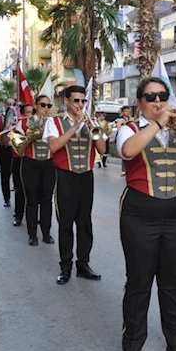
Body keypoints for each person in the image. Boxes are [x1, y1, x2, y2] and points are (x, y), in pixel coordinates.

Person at [116, 77, 176, 351]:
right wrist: (157, 124)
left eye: (162, 96)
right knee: (139, 282)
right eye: (151, 96)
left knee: (173, 282)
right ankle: (132, 344)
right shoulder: (129, 129)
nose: (158, 101)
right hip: (140, 213)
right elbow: (128, 151)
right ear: (139, 101)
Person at [44, 85, 107, 285]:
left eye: (83, 101)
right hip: (65, 176)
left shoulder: (91, 122)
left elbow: (103, 149)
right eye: (76, 101)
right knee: (65, 223)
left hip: (86, 176)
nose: (80, 105)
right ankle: (65, 267)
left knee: (85, 222)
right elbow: (54, 146)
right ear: (67, 102)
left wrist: (93, 129)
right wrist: (73, 127)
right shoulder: (54, 122)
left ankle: (83, 264)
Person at [19, 96, 56, 246]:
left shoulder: (53, 122)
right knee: (32, 200)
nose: (46, 108)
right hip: (30, 162)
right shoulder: (25, 122)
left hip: (49, 163)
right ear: (36, 105)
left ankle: (46, 233)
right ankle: (32, 234)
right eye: (43, 105)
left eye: (49, 105)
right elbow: (16, 139)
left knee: (47, 200)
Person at [11, 104, 33, 227]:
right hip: (20, 160)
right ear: (23, 115)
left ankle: (37, 218)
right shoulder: (19, 126)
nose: (31, 115)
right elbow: (16, 145)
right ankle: (18, 215)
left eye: (32, 112)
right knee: (20, 189)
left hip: (36, 160)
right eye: (28, 112)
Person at [0, 98, 17, 207]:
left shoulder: (18, 117)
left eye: (13, 104)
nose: (11, 106)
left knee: (17, 175)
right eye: (9, 104)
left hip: (15, 148)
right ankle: (6, 198)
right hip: (5, 148)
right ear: (5, 105)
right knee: (5, 175)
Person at [115, 107, 133, 177]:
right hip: (123, 137)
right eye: (125, 111)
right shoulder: (120, 120)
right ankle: (123, 170)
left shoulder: (131, 119)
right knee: (124, 153)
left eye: (128, 111)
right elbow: (119, 128)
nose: (127, 113)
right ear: (122, 112)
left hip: (131, 137)